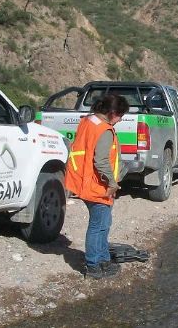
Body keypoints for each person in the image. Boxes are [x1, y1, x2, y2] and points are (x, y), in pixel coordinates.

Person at [64, 94, 129, 279]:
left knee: (103, 223)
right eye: (120, 116)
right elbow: (101, 161)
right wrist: (112, 183)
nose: (120, 120)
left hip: (85, 182)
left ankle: (103, 259)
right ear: (113, 113)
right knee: (98, 226)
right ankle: (93, 265)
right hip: (97, 186)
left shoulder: (88, 121)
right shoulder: (104, 130)